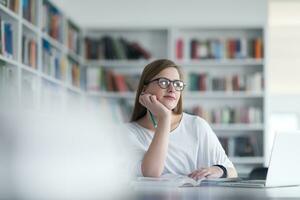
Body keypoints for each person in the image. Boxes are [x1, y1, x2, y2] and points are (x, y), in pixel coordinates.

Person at [126, 59, 238, 180]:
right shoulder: (127, 133)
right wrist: (164, 117)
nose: (172, 89)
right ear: (144, 89)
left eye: (177, 84)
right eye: (163, 82)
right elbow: (151, 173)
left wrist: (219, 170)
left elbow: (232, 172)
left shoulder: (196, 125)